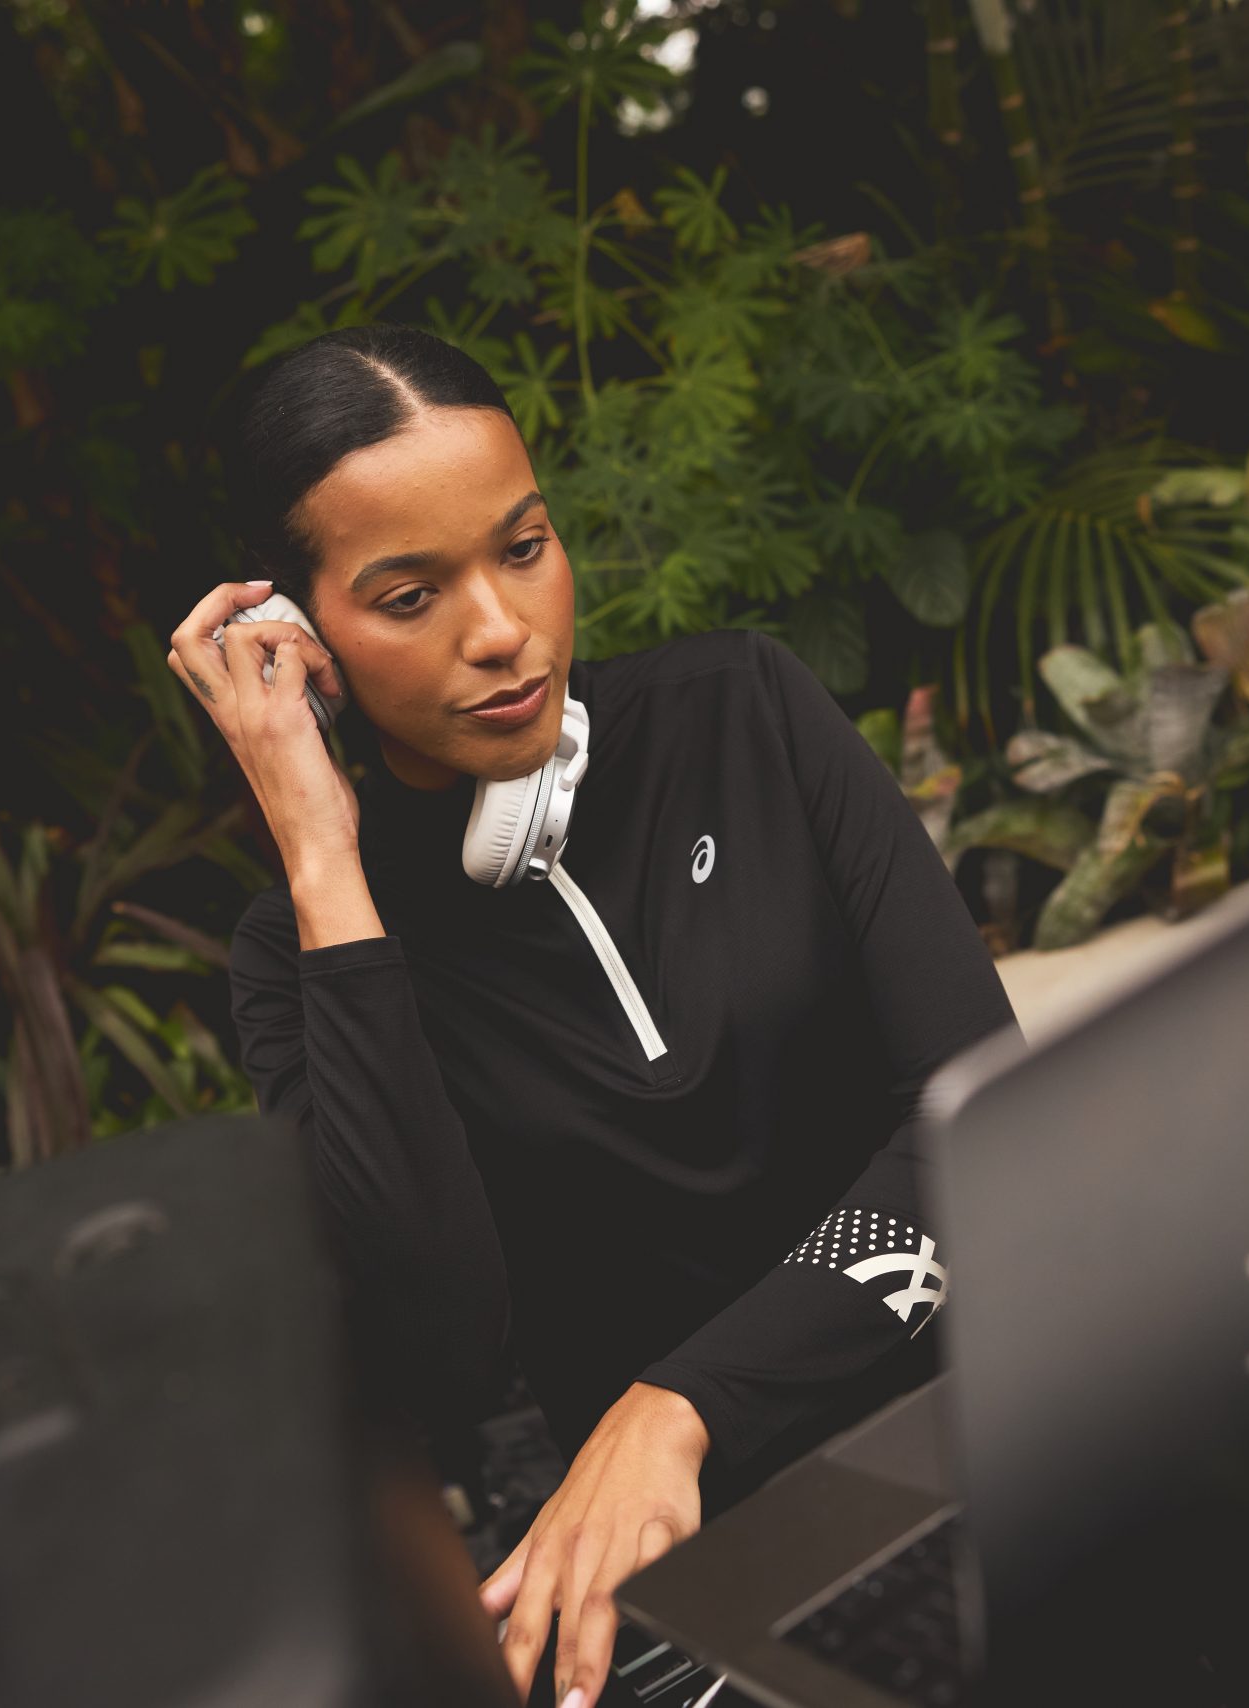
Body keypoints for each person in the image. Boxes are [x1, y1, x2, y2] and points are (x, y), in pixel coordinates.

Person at [169, 326, 1016, 1708]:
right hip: (699, 1579)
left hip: (1001, 1412)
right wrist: (324, 860)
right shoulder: (306, 956)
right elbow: (439, 1353)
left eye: (523, 547)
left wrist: (682, 1405)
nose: (502, 629)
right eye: (409, 595)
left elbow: (978, 1124)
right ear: (300, 638)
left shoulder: (744, 713)